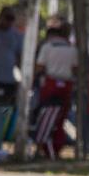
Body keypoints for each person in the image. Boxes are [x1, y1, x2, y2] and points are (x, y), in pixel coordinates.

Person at [33, 18, 77, 158]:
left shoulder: (47, 46)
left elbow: (39, 67)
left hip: (50, 85)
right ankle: (55, 149)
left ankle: (43, 149)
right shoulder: (72, 48)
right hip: (67, 86)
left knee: (45, 118)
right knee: (61, 119)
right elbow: (75, 69)